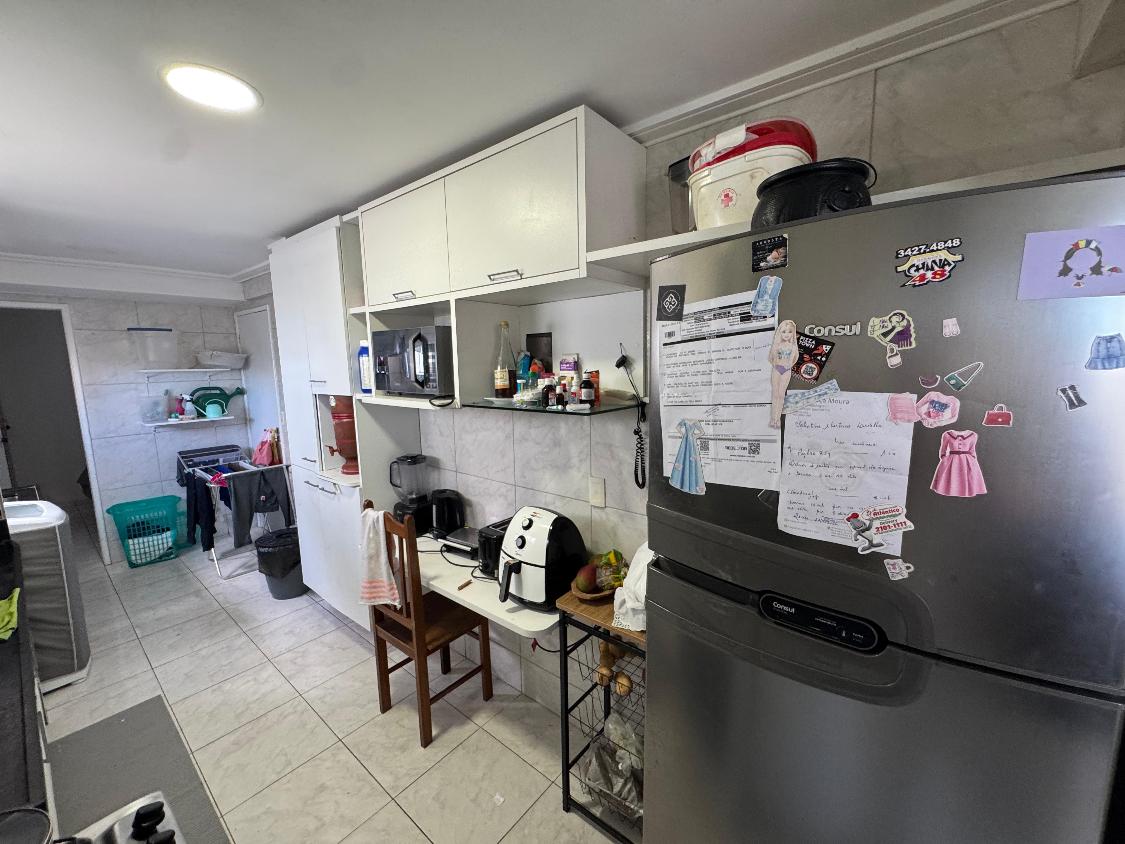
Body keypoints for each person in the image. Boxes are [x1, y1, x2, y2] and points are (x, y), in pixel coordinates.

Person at [769, 319, 798, 428]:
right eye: (784, 331)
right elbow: (771, 358)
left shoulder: (793, 347)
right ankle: (773, 419)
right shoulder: (776, 346)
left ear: (793, 333)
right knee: (775, 394)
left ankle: (777, 419)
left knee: (781, 395)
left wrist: (787, 365)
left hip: (786, 371)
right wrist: (777, 364)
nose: (787, 334)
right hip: (777, 369)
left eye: (790, 331)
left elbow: (793, 360)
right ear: (780, 332)